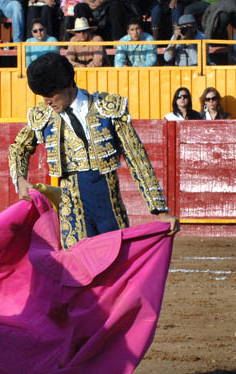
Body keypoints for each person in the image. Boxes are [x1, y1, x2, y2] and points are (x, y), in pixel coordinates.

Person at [9, 52, 179, 250]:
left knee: (116, 267)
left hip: (109, 206)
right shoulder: (44, 116)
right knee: (79, 270)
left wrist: (160, 210)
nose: (46, 100)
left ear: (68, 84)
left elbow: (137, 158)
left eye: (51, 92)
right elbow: (18, 147)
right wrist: (20, 179)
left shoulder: (107, 109)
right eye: (42, 94)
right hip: (71, 209)